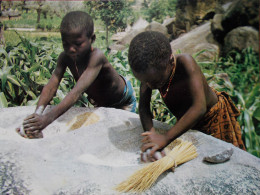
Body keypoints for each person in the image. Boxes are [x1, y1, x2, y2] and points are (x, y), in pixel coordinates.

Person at [128, 31, 246, 162]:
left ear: (171, 61)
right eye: (145, 81)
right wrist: (151, 136)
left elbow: (199, 108)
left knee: (221, 159)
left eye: (156, 82)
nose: (149, 85)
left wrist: (165, 138)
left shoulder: (186, 63)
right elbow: (144, 108)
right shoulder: (151, 75)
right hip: (188, 122)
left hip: (213, 120)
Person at [17, 11, 136, 139]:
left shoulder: (96, 57)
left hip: (122, 101)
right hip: (101, 103)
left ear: (92, 39)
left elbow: (77, 92)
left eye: (78, 44)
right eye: (65, 44)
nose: (71, 49)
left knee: (120, 137)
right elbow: (52, 85)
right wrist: (37, 115)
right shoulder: (65, 57)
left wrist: (47, 119)